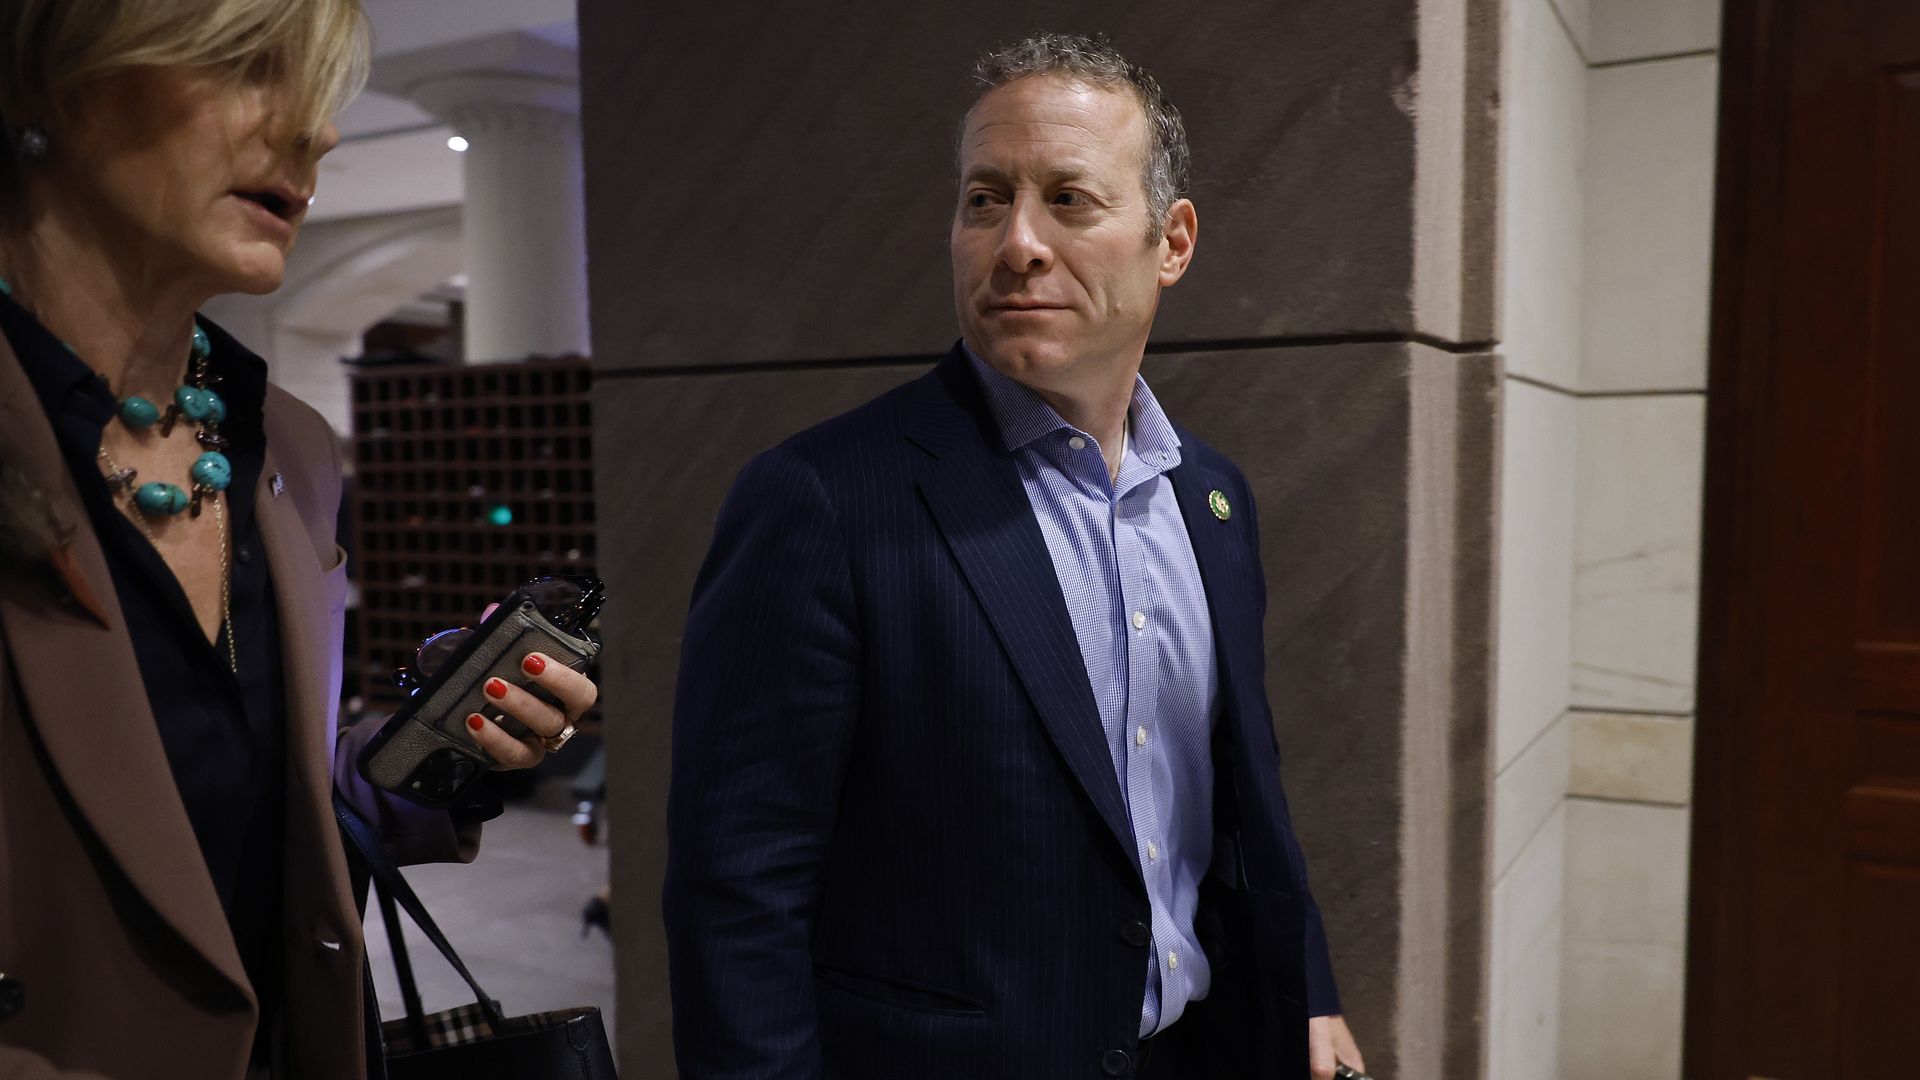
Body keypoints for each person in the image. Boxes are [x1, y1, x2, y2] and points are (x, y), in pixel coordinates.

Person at [666, 32, 1365, 1080]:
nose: (1017, 243)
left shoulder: (1211, 498)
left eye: (1069, 201)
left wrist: (1307, 995)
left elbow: (1240, 794)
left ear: (1170, 243)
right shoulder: (824, 500)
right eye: (985, 199)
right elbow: (738, 890)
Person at [0, 1, 598, 1076]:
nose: (314, 132)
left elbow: (253, 794)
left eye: (317, 89)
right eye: (245, 64)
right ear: (39, 82)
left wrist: (430, 754)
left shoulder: (293, 447)